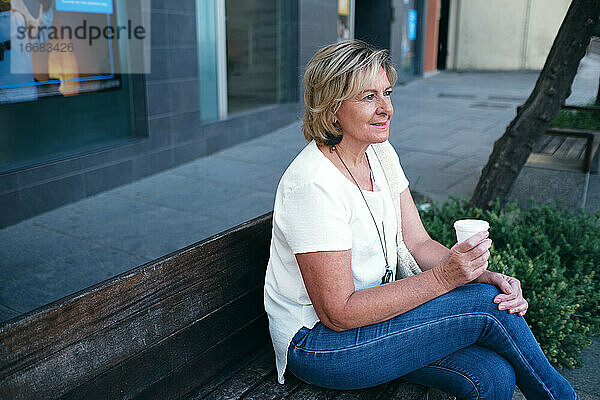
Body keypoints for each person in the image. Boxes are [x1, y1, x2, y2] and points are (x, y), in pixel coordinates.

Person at [263, 40, 579, 400]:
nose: (386, 109)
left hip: (378, 319)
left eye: (387, 92)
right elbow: (339, 313)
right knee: (485, 305)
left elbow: (418, 243)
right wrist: (448, 279)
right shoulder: (313, 185)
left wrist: (484, 275)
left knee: (494, 375)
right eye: (368, 97)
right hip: (320, 344)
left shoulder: (379, 153)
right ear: (332, 108)